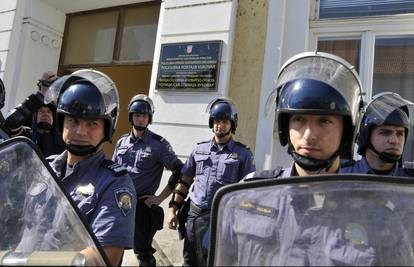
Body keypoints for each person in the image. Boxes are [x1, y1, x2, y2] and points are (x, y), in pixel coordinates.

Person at [213, 52, 414, 265]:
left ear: (347, 131)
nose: (309, 134)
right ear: (285, 127)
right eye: (299, 119)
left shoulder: (377, 214)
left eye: (324, 121)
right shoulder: (250, 197)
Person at [43, 69, 137, 266]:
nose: (81, 131)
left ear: (106, 129)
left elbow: (103, 257)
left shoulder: (115, 183)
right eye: (73, 121)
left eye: (92, 124)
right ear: (61, 122)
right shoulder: (43, 168)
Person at [167, 97, 256, 266]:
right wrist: (173, 209)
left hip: (223, 218)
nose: (219, 125)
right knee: (190, 261)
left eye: (223, 121)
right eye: (216, 121)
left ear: (232, 124)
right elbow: (184, 181)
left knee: (218, 261)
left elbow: (248, 192)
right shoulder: (199, 149)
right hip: (195, 215)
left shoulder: (243, 154)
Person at [112, 94, 184, 266]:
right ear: (131, 116)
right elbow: (113, 172)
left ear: (149, 118)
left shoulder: (159, 144)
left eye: (144, 115)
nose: (141, 118)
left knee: (143, 252)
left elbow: (179, 170)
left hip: (143, 206)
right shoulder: (121, 142)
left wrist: (160, 198)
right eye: (137, 114)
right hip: (119, 203)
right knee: (114, 247)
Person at [341, 92, 414, 176]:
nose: (394, 141)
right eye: (385, 132)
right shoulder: (341, 175)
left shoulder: (410, 178)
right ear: (366, 137)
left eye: (400, 134)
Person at [30, 71, 65, 157]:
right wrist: (42, 93)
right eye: (41, 111)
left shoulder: (63, 142)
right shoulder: (25, 136)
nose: (45, 114)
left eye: (49, 112)